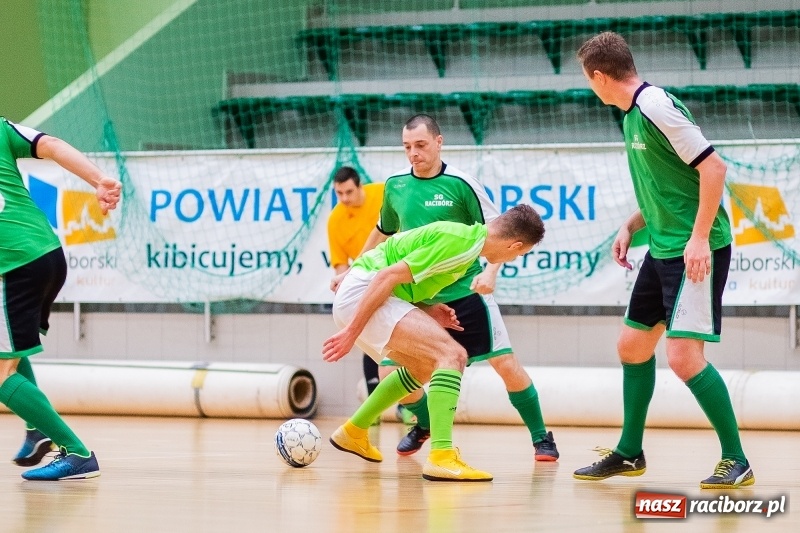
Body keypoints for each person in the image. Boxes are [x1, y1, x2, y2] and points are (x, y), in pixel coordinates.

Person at [573, 32, 754, 489]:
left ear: (599, 76)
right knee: (631, 347)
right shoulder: (634, 114)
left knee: (683, 357)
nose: (590, 88)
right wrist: (632, 225)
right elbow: (670, 183)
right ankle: (630, 453)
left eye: (588, 81)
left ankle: (737, 459)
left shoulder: (654, 106)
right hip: (662, 246)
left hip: (695, 247)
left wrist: (697, 239)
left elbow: (713, 168)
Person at [335, 114, 559, 461]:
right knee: (403, 368)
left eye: (421, 145)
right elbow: (384, 235)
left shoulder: (462, 185)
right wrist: (351, 280)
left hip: (463, 293)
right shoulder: (396, 185)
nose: (414, 153)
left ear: (439, 142)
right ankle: (431, 436)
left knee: (505, 364)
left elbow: (501, 233)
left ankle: (541, 437)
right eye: (407, 147)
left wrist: (491, 274)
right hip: (409, 292)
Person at [323, 204, 546, 481]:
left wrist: (429, 309)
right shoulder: (460, 243)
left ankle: (354, 431)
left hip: (367, 294)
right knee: (452, 355)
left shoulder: (466, 247)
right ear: (515, 245)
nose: (513, 260)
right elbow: (386, 275)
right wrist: (351, 332)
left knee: (424, 366)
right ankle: (442, 455)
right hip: (363, 293)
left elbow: (400, 277)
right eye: (520, 255)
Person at [0, 117, 121, 481]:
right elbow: (50, 144)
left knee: (1, 374)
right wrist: (99, 180)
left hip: (16, 264)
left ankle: (77, 453)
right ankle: (38, 427)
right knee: (11, 353)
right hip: (47, 254)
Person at [326, 166, 386, 404]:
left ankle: (408, 405)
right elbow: (340, 265)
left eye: (349, 192)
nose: (344, 199)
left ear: (360, 185)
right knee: (369, 337)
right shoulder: (335, 220)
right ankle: (374, 405)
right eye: (339, 194)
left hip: (400, 272)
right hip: (366, 282)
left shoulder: (382, 193)